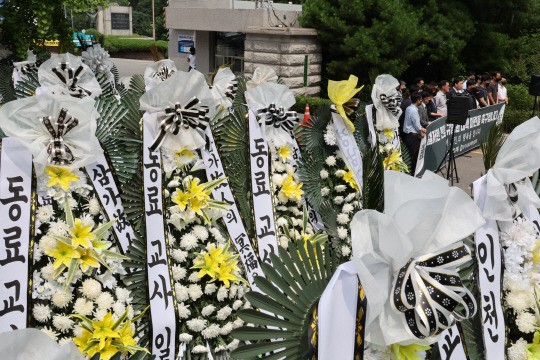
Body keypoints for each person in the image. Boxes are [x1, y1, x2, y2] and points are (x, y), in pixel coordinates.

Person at [402, 92, 425, 172]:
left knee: (409, 155)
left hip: (408, 135)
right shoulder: (414, 111)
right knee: (413, 156)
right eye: (421, 100)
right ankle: (412, 173)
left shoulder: (409, 108)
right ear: (418, 100)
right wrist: (421, 132)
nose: (421, 101)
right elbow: (416, 124)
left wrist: (421, 129)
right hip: (413, 136)